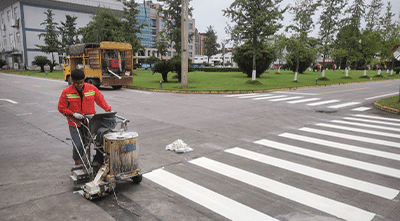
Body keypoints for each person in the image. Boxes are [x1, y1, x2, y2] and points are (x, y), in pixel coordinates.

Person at [58, 69, 112, 165]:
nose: (79, 85)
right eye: (76, 83)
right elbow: (61, 107)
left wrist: (108, 109)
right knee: (78, 145)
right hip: (74, 123)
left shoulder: (91, 89)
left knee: (95, 143)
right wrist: (72, 113)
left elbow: (100, 100)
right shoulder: (66, 92)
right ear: (72, 81)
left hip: (90, 121)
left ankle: (96, 160)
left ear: (84, 79)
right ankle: (77, 162)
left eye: (81, 82)